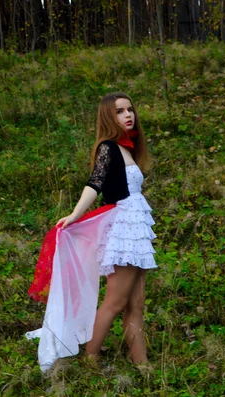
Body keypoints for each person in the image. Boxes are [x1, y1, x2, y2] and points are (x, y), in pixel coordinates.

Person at [27, 92, 157, 371]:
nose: (128, 115)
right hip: (123, 231)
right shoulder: (108, 147)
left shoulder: (128, 148)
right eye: (120, 112)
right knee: (115, 301)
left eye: (130, 109)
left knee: (136, 305)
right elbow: (95, 183)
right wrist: (76, 214)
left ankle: (143, 366)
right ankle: (91, 359)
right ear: (109, 117)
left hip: (136, 231)